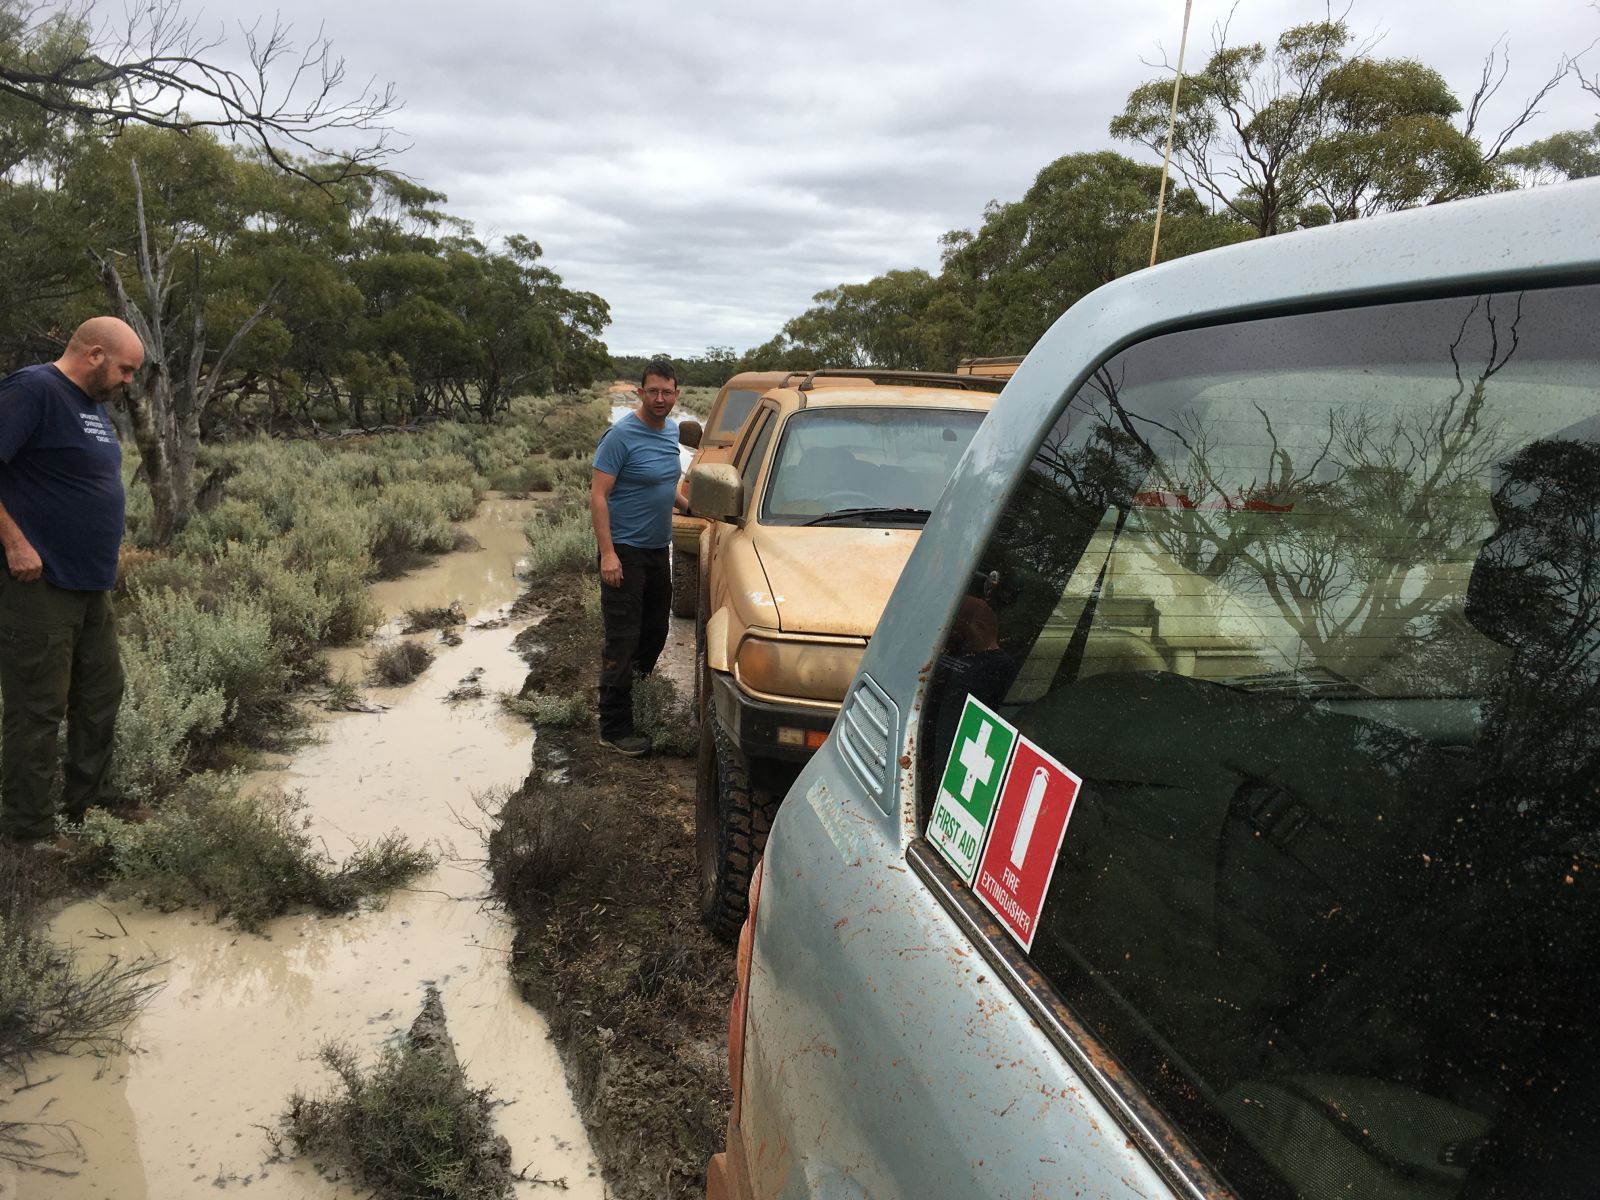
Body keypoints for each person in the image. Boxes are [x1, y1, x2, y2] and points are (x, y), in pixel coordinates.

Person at [0, 317, 144, 849]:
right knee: (38, 706)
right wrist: (16, 543)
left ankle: (90, 804)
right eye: (126, 369)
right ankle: (29, 830)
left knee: (102, 692)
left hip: (89, 584)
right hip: (39, 583)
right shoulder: (33, 389)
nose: (129, 381)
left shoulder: (92, 408)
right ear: (94, 354)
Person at [590, 359, 684, 756]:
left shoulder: (672, 432)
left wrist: (690, 506)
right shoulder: (621, 436)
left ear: (677, 395)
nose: (659, 399)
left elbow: (667, 482)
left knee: (654, 633)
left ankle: (637, 706)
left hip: (656, 549)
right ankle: (613, 727)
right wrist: (608, 554)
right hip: (624, 551)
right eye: (653, 391)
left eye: (667, 392)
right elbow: (598, 496)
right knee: (623, 640)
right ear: (640, 393)